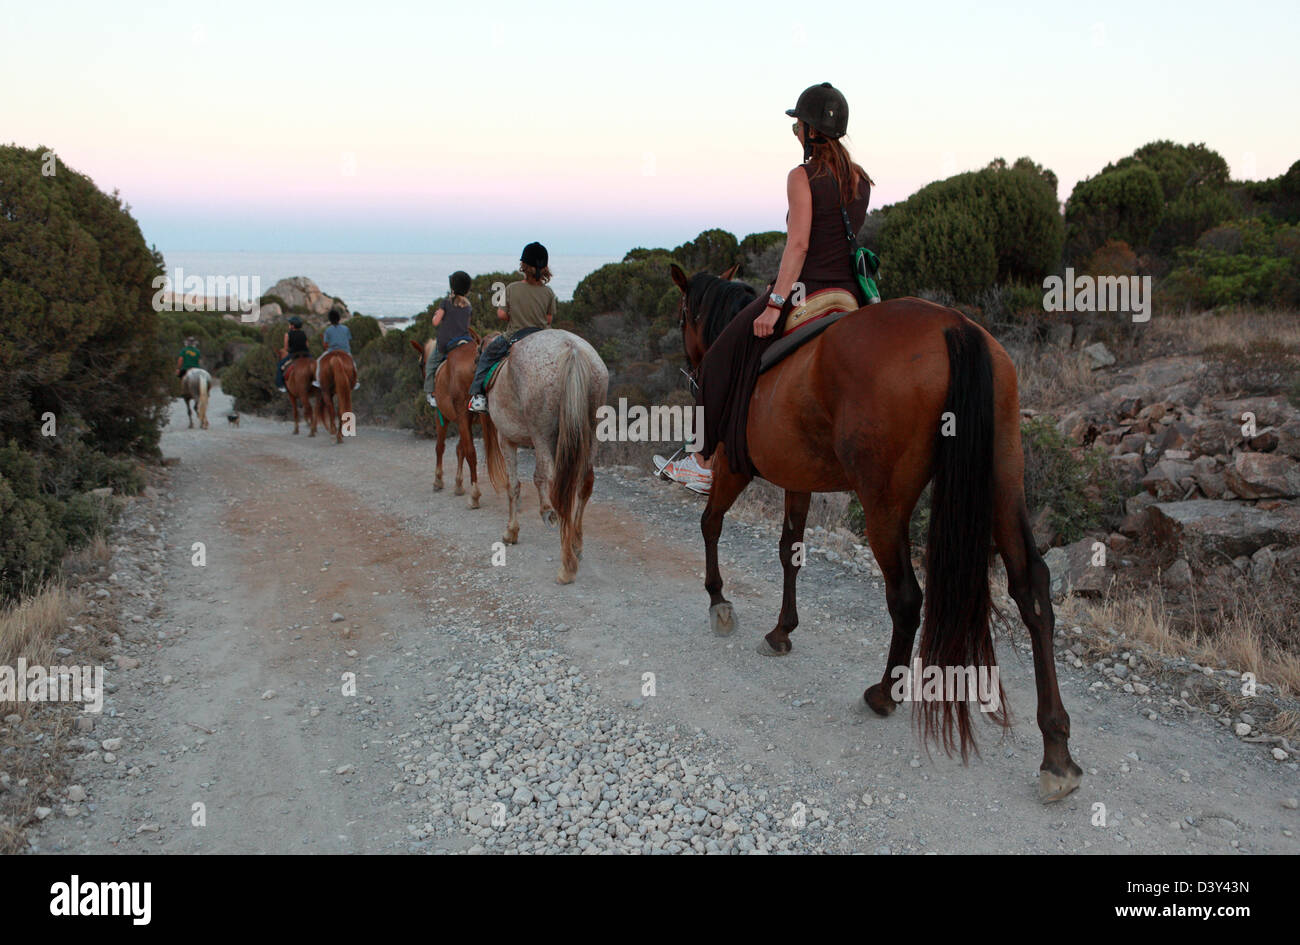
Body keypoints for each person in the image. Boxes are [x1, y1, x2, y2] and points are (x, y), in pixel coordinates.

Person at [669, 82, 872, 492]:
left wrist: (775, 303)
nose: (795, 131)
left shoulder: (802, 176)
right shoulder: (860, 180)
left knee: (718, 360)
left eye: (797, 124)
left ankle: (703, 461)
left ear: (812, 131)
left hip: (807, 290)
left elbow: (798, 245)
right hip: (851, 295)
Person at [467, 242, 555, 412]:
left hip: (515, 335)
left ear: (523, 266)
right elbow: (549, 319)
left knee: (487, 356)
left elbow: (501, 315)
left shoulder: (512, 288)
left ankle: (478, 397)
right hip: (542, 336)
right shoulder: (548, 292)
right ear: (544, 268)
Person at [424, 271, 474, 409]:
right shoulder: (468, 306)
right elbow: (467, 324)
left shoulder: (446, 303)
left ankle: (430, 394)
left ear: (452, 287)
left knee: (431, 365)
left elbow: (436, 322)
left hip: (446, 343)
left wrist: (436, 315)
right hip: (465, 340)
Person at [313, 310, 360, 390]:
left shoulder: (328, 330)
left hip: (332, 351)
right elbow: (348, 340)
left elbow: (325, 344)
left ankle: (318, 380)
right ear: (339, 319)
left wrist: (327, 345)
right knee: (353, 364)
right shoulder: (346, 328)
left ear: (330, 320)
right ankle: (355, 381)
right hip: (345, 351)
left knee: (319, 361)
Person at [275, 315, 311, 392]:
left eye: (290, 323)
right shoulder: (303, 333)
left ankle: (281, 386)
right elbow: (307, 345)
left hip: (294, 354)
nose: (289, 325)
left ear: (292, 326)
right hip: (306, 354)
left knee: (280, 366)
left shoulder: (287, 334)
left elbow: (286, 348)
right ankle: (316, 381)